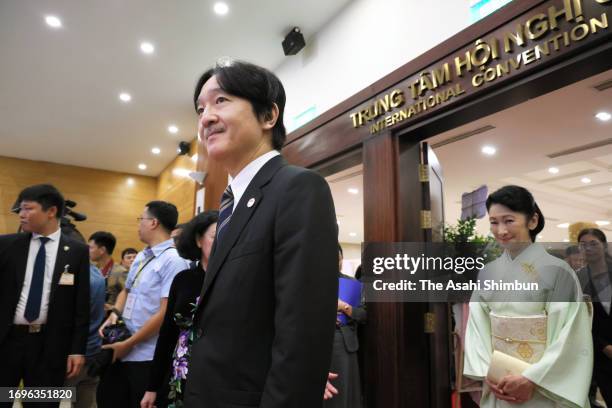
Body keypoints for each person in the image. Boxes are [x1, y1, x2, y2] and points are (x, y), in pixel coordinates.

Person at [184, 60, 339, 407]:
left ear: (269, 116)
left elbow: (301, 335)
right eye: (200, 108)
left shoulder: (298, 188)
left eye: (221, 100)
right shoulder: (229, 203)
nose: (206, 117)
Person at [463, 185, 593, 407]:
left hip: (542, 387)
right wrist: (488, 371)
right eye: (494, 222)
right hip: (499, 383)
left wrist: (532, 378)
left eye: (509, 220)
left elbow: (571, 333)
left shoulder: (559, 272)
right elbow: (477, 327)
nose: (501, 230)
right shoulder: (487, 272)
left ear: (532, 221)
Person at [0, 184, 90, 408]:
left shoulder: (77, 251)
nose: (21, 214)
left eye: (28, 209)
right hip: (7, 342)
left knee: (40, 403)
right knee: (3, 398)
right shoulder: (6, 245)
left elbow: (81, 305)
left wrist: (77, 350)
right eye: (20, 209)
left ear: (51, 211)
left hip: (49, 347)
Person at [96, 201, 190, 407]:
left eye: (141, 219)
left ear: (154, 222)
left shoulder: (173, 260)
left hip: (146, 356)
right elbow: (126, 291)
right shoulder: (141, 256)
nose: (138, 224)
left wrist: (128, 345)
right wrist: (114, 315)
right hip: (121, 346)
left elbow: (166, 313)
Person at [140, 210, 218, 408]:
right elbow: (167, 333)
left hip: (219, 376)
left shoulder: (236, 281)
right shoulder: (183, 279)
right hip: (180, 374)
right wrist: (152, 386)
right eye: (215, 236)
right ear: (199, 240)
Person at [325, 246, 366, 408]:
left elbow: (364, 315)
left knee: (345, 390)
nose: (336, 262)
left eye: (339, 258)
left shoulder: (354, 284)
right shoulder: (311, 282)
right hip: (316, 340)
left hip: (343, 340)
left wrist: (344, 307)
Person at [577, 228, 612, 406]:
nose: (588, 248)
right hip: (599, 353)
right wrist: (605, 346)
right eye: (583, 245)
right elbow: (581, 320)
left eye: (593, 244)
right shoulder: (578, 279)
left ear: (604, 246)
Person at [65, 262, 106, 408]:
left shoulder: (71, 275)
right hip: (92, 350)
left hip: (69, 354)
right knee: (85, 400)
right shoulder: (97, 273)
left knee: (39, 397)